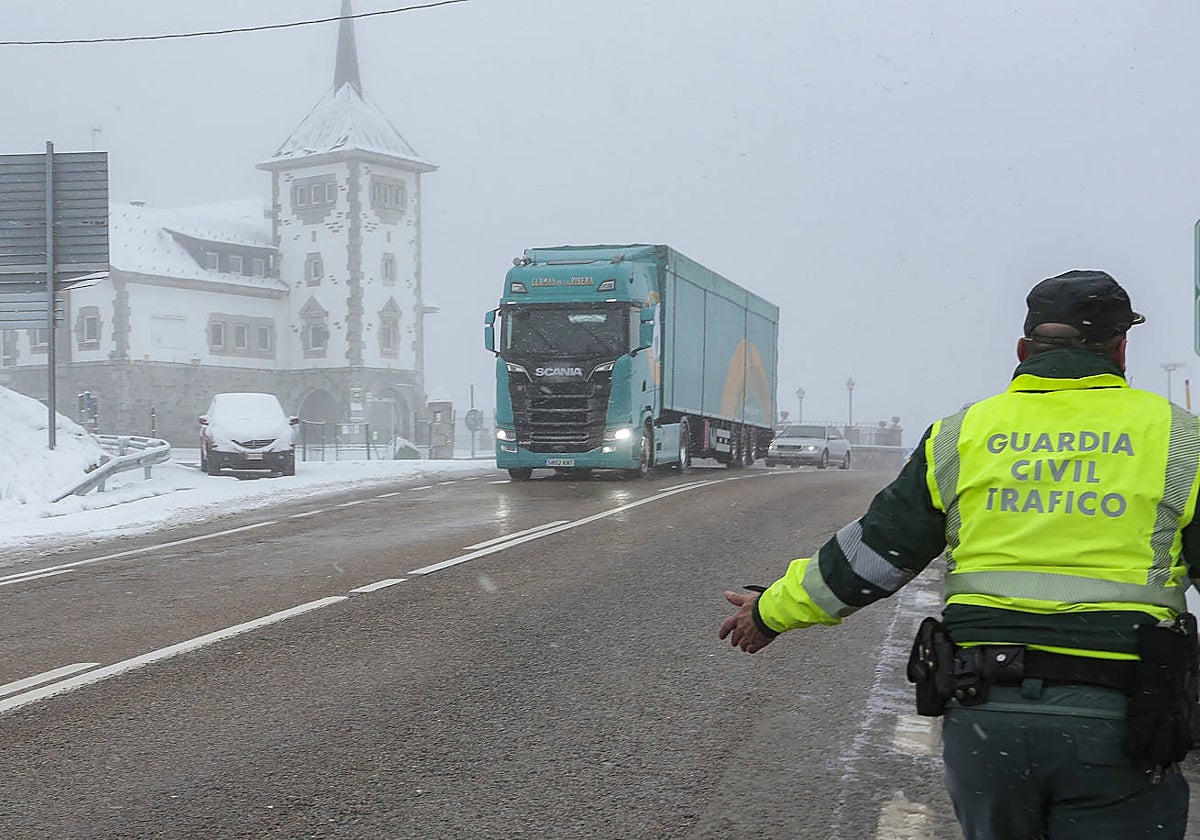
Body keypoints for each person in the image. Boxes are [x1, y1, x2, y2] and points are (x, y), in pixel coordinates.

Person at [719, 269, 1200, 839]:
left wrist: (771, 611)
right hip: (1122, 717)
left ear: (1023, 350)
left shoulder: (963, 433)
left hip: (986, 715)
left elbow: (875, 553)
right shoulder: (1182, 440)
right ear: (1121, 349)